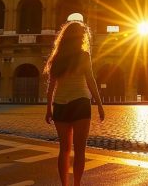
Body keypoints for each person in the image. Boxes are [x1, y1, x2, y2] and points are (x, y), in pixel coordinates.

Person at [44, 21, 105, 186]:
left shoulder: (57, 58)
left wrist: (48, 108)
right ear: (81, 38)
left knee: (64, 150)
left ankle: (65, 185)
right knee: (80, 151)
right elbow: (91, 81)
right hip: (81, 103)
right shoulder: (83, 55)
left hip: (60, 105)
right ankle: (76, 184)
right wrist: (99, 104)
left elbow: (51, 85)